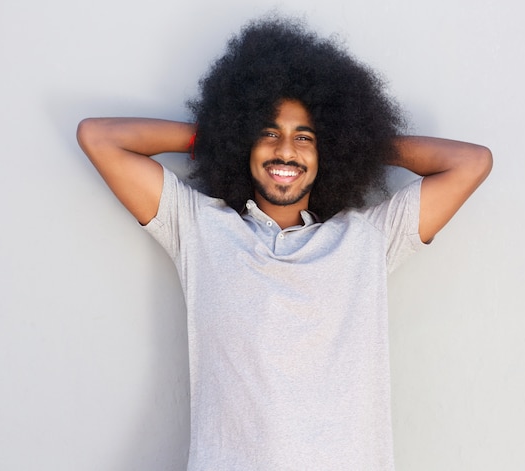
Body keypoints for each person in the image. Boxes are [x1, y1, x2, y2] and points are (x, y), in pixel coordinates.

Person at [77, 17, 492, 471]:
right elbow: (99, 137)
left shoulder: (369, 238)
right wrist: (221, 137)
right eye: (268, 132)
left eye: (306, 138)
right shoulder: (197, 227)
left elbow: (471, 162)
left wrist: (360, 140)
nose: (286, 151)